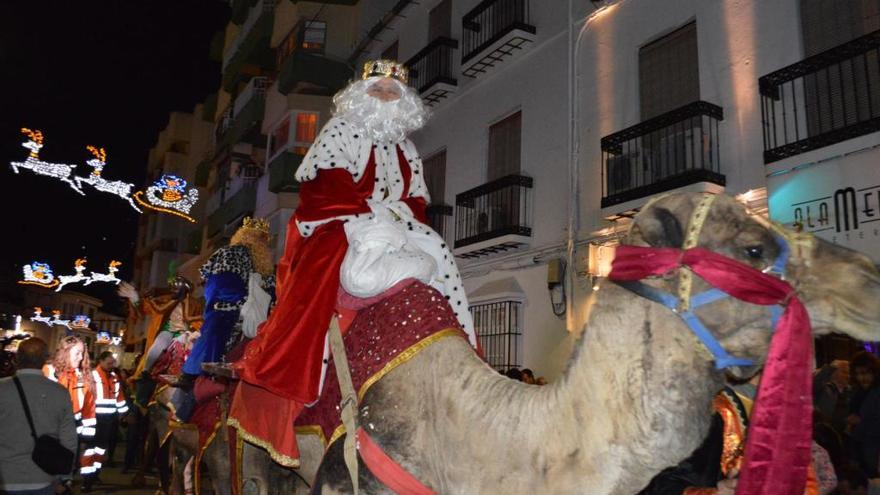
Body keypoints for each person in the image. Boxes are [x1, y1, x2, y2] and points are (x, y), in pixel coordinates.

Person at [229, 59, 479, 464]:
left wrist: (397, 216)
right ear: (361, 96)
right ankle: (311, 363)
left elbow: (415, 199)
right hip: (339, 219)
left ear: (404, 102)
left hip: (394, 222)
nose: (384, 98)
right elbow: (325, 188)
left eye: (392, 93)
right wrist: (366, 214)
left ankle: (463, 349)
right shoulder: (340, 130)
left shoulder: (407, 149)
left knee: (438, 253)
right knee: (335, 270)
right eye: (377, 90)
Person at [0, 338, 77, 495]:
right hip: (43, 476)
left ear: (16, 358)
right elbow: (68, 438)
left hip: (5, 476)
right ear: (46, 359)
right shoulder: (60, 393)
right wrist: (65, 477)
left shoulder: (3, 389)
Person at [43, 335, 98, 484]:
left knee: (65, 473)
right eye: (77, 353)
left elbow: (89, 409)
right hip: (49, 429)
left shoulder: (83, 376)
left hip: (72, 429)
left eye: (82, 353)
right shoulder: (49, 371)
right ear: (65, 352)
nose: (81, 358)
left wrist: (86, 437)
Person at [90, 352, 128, 478]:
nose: (111, 366)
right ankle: (88, 478)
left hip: (109, 420)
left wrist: (123, 413)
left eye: (113, 363)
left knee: (101, 447)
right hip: (94, 418)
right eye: (109, 363)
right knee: (91, 447)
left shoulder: (114, 377)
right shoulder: (92, 376)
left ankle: (95, 472)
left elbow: (120, 397)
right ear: (101, 361)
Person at [849, 352, 880, 477]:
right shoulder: (858, 392)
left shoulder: (876, 392)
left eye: (865, 373)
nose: (861, 378)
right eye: (857, 374)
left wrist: (860, 422)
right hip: (861, 449)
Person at [814, 359, 851, 435]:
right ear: (834, 373)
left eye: (849, 373)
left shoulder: (851, 390)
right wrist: (830, 368)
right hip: (826, 432)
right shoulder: (824, 388)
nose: (848, 376)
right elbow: (814, 384)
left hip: (846, 432)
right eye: (844, 372)